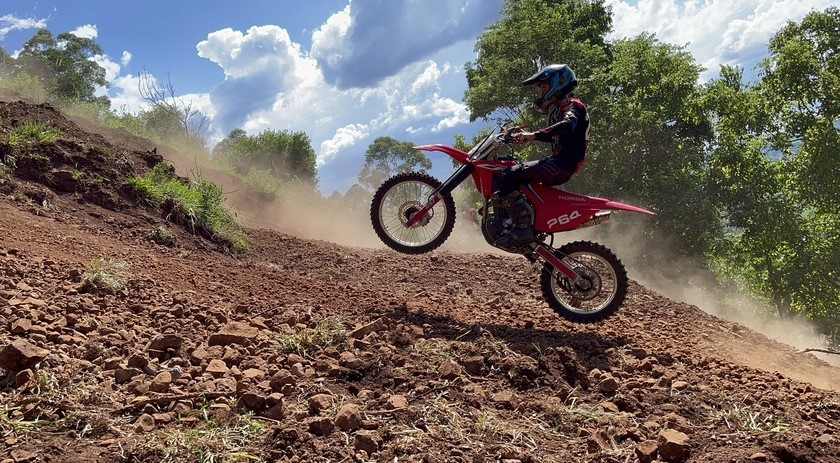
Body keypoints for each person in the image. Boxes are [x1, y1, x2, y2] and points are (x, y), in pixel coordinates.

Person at [493, 63, 590, 248]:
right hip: (560, 164)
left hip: (561, 164)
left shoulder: (572, 104)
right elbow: (557, 135)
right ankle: (513, 222)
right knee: (512, 171)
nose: (541, 93)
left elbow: (568, 125)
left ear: (559, 83)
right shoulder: (561, 108)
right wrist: (524, 137)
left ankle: (522, 229)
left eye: (544, 87)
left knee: (506, 175)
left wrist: (533, 135)